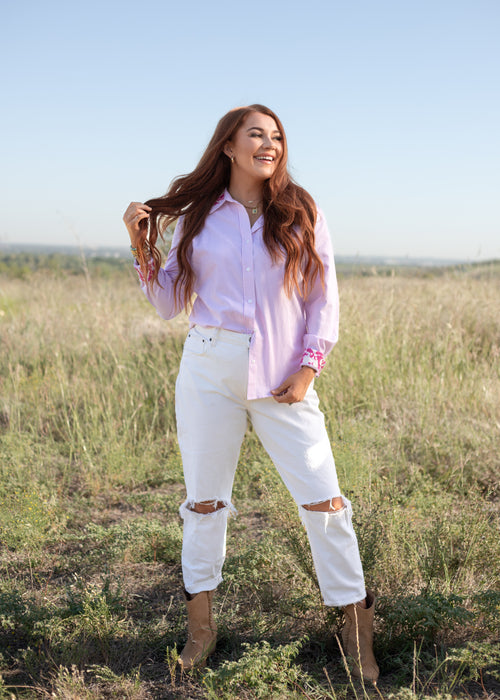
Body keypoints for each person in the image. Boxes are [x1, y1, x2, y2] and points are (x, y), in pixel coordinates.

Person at [122, 104, 379, 682]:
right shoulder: (196, 216)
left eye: (277, 136)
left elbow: (323, 297)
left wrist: (309, 367)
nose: (270, 143)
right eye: (256, 135)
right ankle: (200, 631)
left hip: (283, 375)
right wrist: (142, 245)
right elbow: (167, 305)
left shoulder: (300, 211)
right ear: (229, 147)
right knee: (204, 503)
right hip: (208, 366)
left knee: (324, 501)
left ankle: (358, 632)